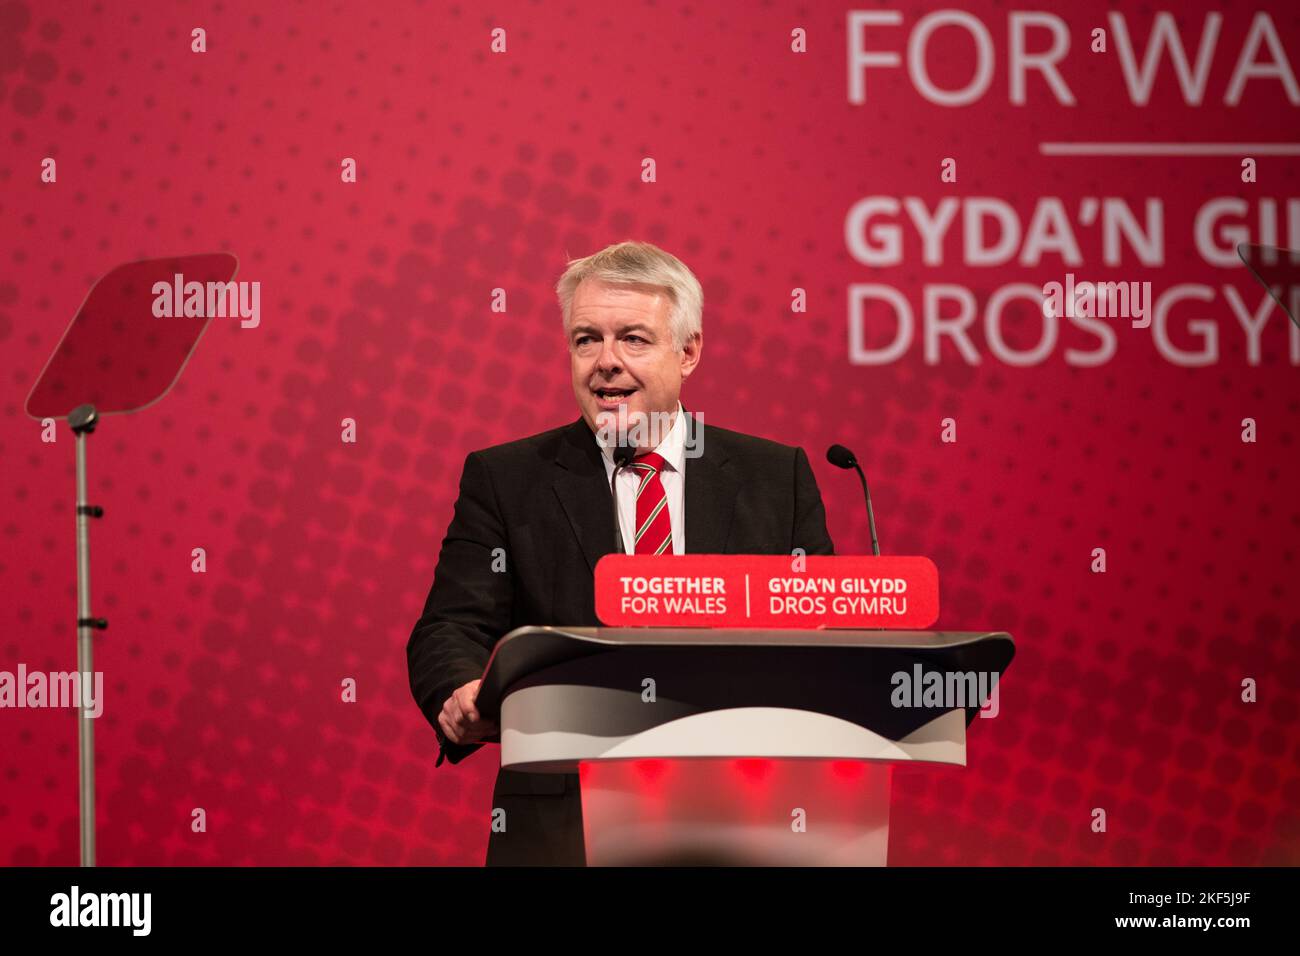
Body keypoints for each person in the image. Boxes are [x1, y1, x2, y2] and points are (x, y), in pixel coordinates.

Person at [406, 240, 835, 865]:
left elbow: (823, 626)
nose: (605, 362)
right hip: (564, 826)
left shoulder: (776, 476)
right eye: (586, 340)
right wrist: (461, 687)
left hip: (745, 817)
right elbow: (450, 624)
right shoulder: (508, 478)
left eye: (633, 339)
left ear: (688, 352)